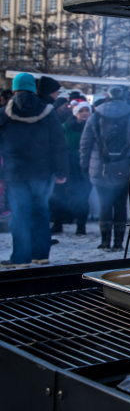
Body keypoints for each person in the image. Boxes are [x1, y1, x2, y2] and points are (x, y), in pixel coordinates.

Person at [0, 73, 68, 267]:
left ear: (14, 88)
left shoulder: (4, 113)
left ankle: (21, 259)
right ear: (32, 88)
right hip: (42, 172)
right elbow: (58, 144)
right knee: (40, 212)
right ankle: (41, 255)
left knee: (20, 215)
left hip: (16, 173)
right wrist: (61, 172)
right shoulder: (49, 112)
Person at [79, 85, 130, 251]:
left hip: (99, 167)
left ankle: (105, 242)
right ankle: (118, 242)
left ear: (107, 97)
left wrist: (84, 165)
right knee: (121, 204)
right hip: (125, 167)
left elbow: (85, 144)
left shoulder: (95, 116)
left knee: (104, 204)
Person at [52, 102, 92, 236]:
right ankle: (58, 223)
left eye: (87, 110)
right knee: (61, 196)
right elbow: (58, 145)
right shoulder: (65, 127)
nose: (85, 113)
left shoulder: (93, 127)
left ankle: (81, 226)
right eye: (82, 110)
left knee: (83, 197)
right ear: (76, 113)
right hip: (67, 166)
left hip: (85, 167)